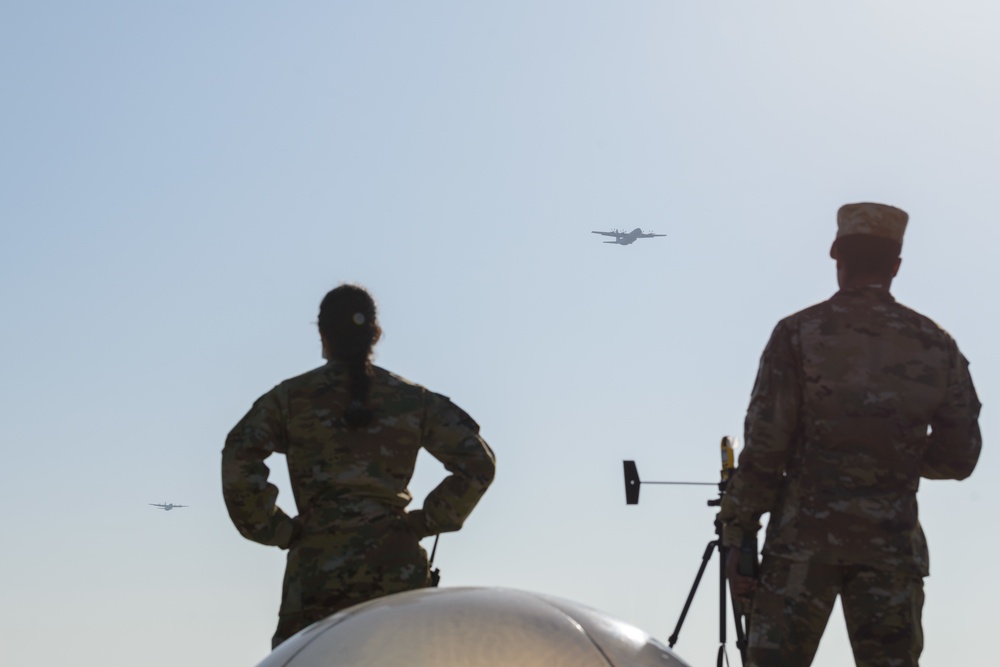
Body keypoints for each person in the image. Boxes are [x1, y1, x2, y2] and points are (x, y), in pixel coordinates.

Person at [719, 203, 981, 667]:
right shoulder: (936, 344)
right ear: (896, 266)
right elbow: (960, 458)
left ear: (837, 258)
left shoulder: (798, 334)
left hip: (801, 548)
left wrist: (737, 533)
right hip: (891, 553)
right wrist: (892, 452)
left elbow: (765, 449)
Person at [222, 284, 496, 649]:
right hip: (395, 576)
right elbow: (477, 463)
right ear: (375, 334)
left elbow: (239, 453)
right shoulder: (413, 400)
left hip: (317, 575)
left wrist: (277, 529)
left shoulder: (289, 399)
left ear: (322, 334)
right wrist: (425, 522)